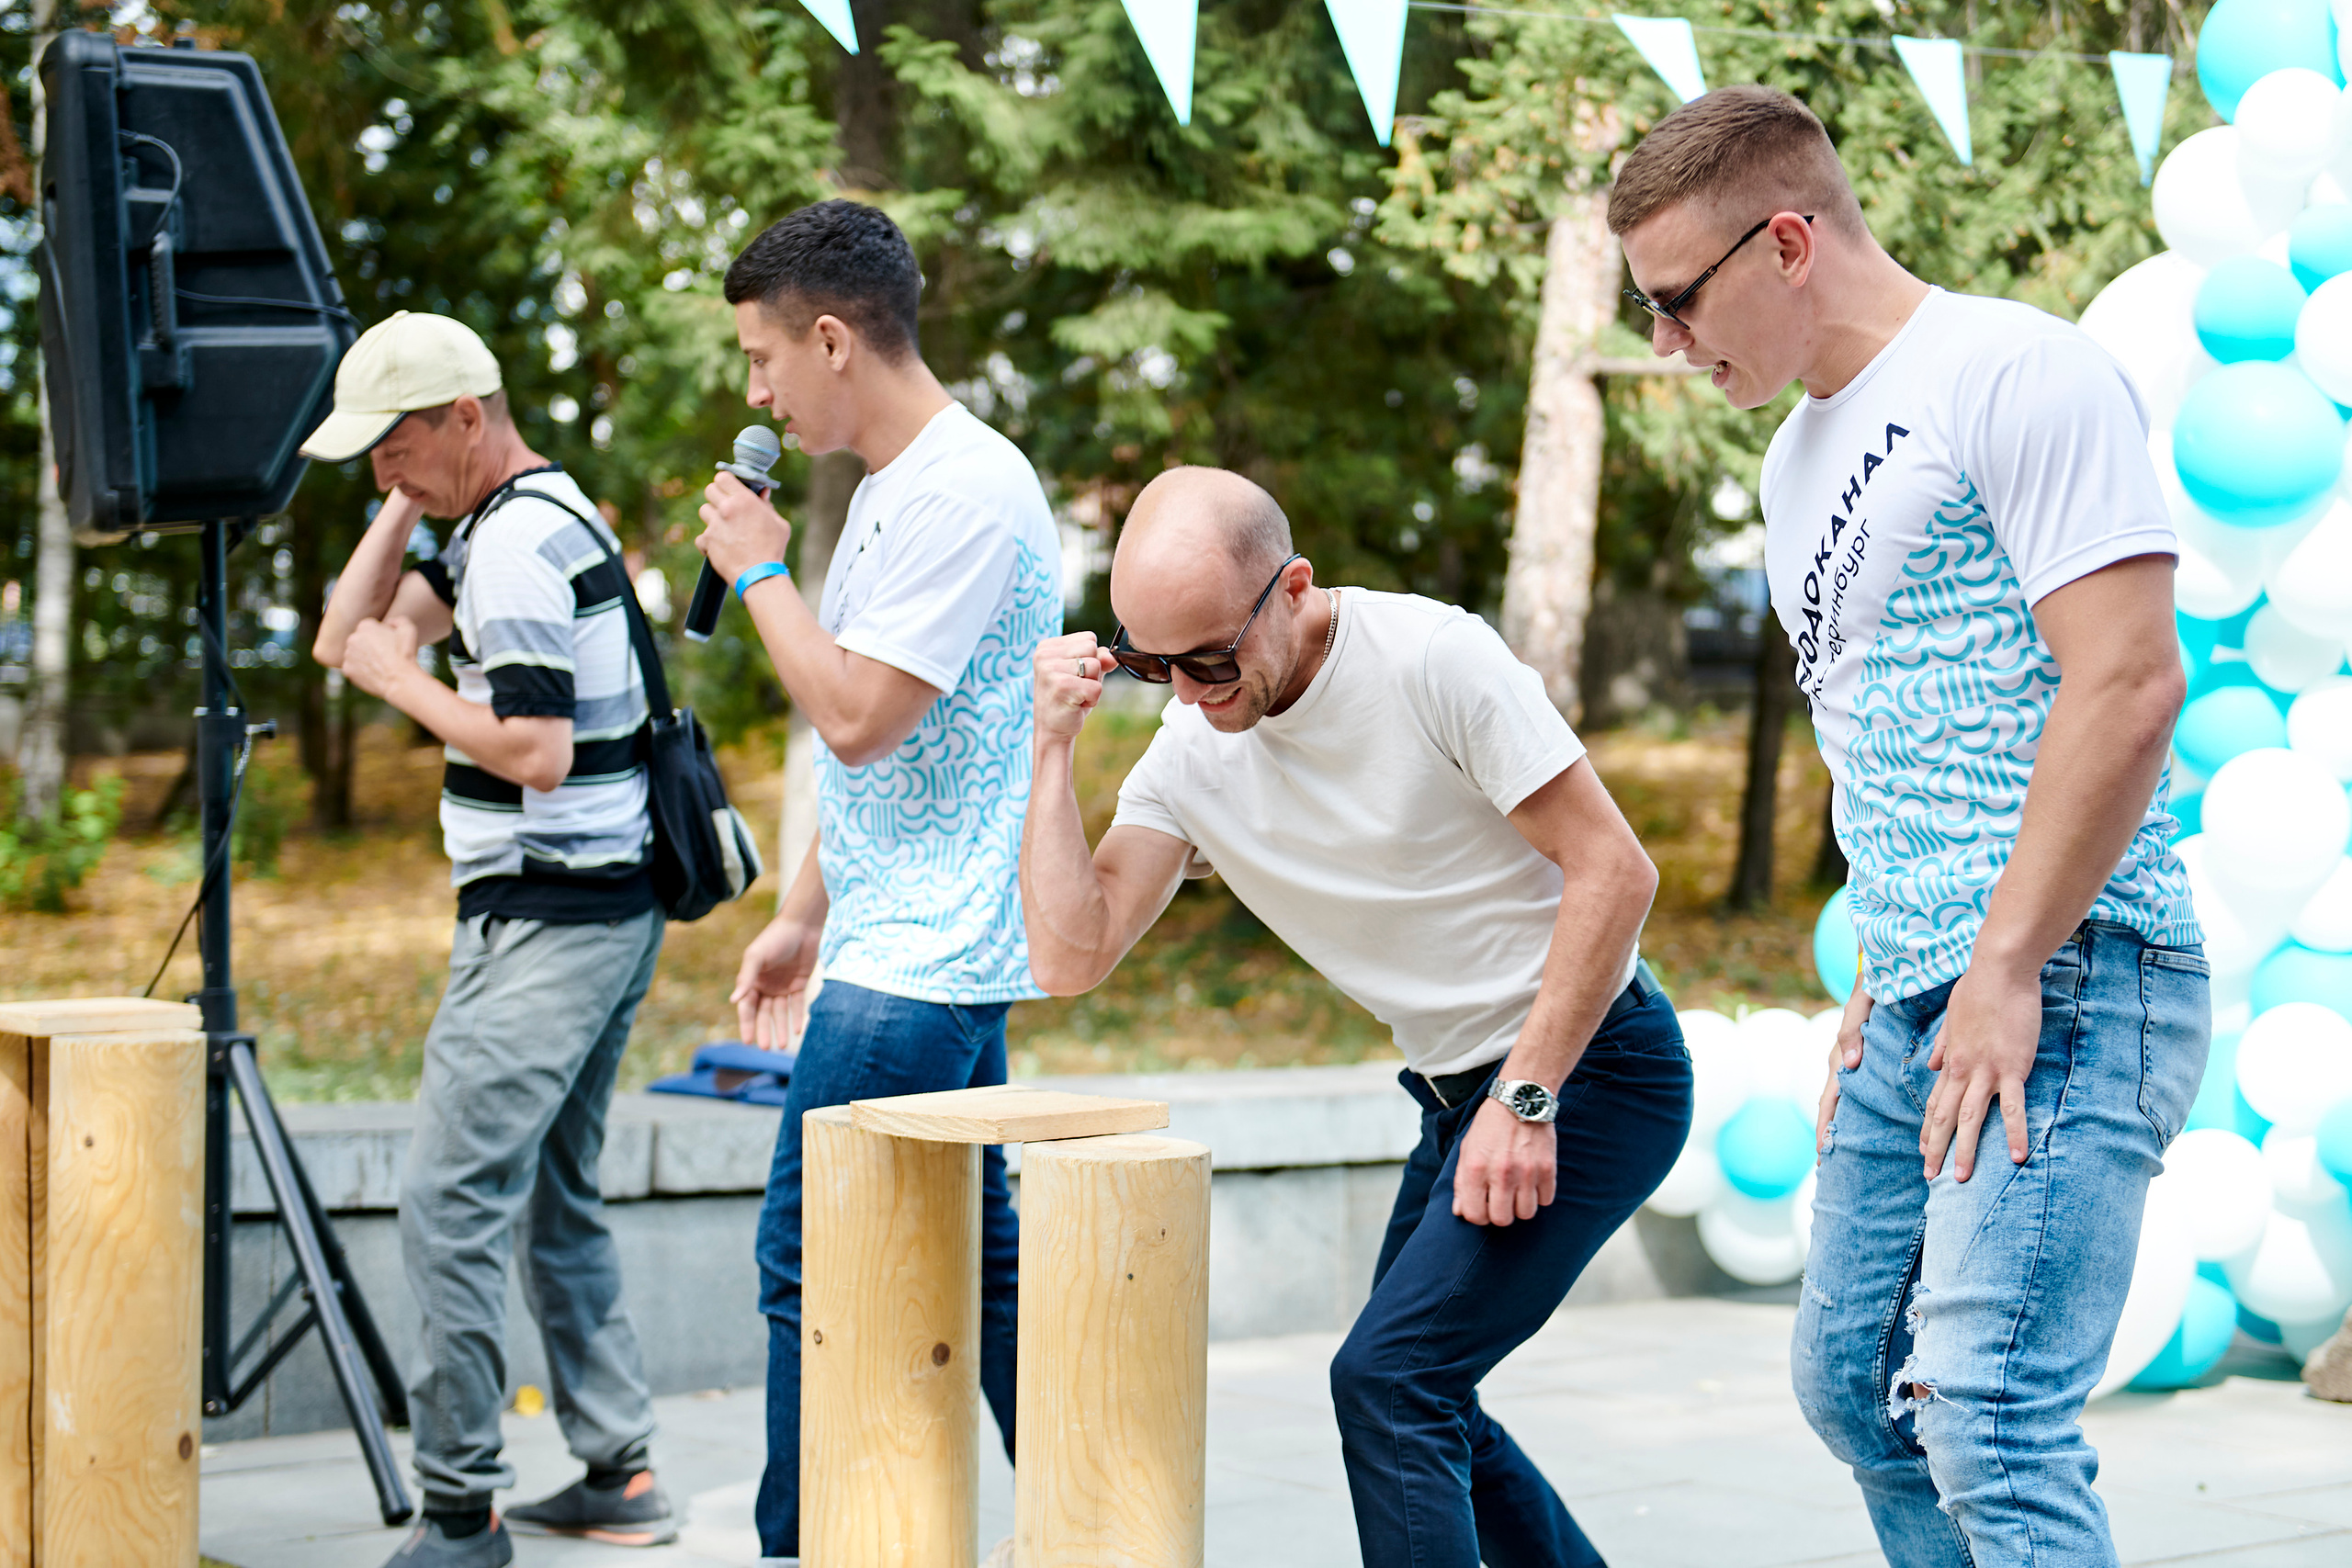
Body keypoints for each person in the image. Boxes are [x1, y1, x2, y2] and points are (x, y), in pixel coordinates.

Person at [1612, 86, 2208, 1567]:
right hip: (1927, 990)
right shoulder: (1792, 457)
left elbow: (2127, 682)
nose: (1671, 345)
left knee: (1990, 1409)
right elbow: (1899, 741)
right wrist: (1885, 979)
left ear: (1790, 239)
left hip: (2073, 966)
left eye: (1680, 302)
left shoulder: (2015, 371)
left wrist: (2003, 965)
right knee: (1853, 1394)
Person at [1018, 466, 1690, 1568]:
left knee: (1389, 1384)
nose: (1188, 694)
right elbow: (1069, 954)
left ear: (1291, 589)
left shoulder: (1433, 660)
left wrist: (1526, 1098)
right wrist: (1051, 748)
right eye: (1152, 665)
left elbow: (1615, 871)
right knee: (1427, 1396)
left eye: (1211, 660)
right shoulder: (1191, 751)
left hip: (1589, 1070)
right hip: (1453, 1096)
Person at [690, 199, 1060, 1560]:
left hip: (918, 969)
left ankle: (808, 1545)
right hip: (896, 947)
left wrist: (762, 569)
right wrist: (799, 912)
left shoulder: (961, 489)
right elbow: (883, 769)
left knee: (815, 1269)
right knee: (992, 1273)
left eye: (762, 357)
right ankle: (1096, 1520)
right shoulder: (905, 491)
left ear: (832, 338)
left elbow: (855, 717)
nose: (755, 390)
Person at [307, 311, 678, 1566]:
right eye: (367, 455)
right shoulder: (516, 519)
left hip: (552, 918)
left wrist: (403, 685)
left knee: (448, 1200)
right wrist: (403, 506)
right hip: (601, 907)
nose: (379, 470)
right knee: (553, 1197)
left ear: (471, 417)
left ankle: (460, 1511)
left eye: (397, 444)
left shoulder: (512, 548)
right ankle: (618, 1469)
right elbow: (336, 637)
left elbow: (535, 748)